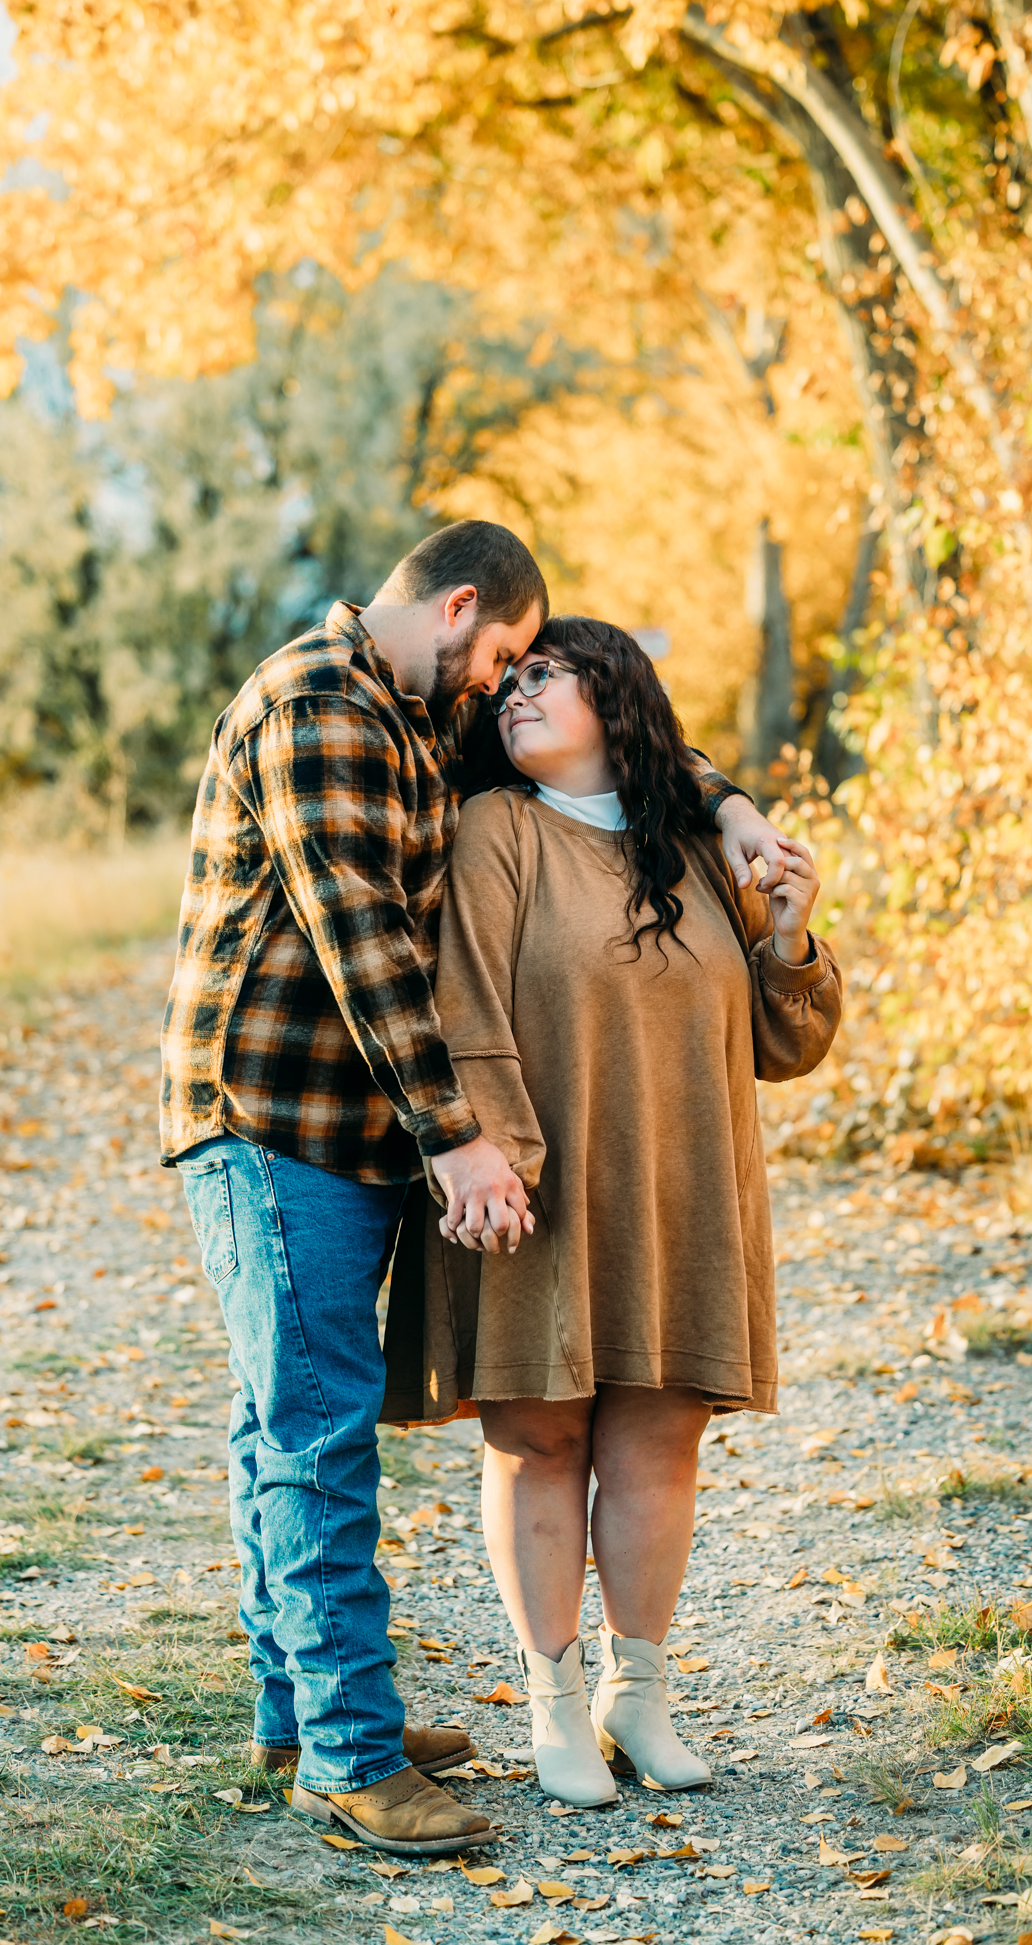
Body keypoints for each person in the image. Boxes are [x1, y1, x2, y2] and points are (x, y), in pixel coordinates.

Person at [160, 525, 791, 1851]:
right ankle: (347, 1754)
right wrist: (460, 1138)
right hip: (278, 1120)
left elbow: (635, 735)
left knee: (282, 1421)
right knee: (312, 1433)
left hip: (361, 1121)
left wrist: (728, 807)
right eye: (506, 655)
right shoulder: (317, 707)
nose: (504, 685)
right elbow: (366, 941)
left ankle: (309, 1709)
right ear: (460, 607)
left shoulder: (415, 712)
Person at [407, 617, 843, 1806]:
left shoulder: (691, 845)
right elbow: (466, 1005)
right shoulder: (496, 828)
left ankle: (636, 1694)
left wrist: (791, 932)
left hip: (684, 1187)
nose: (518, 692)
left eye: (550, 674)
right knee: (539, 1435)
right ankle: (551, 1705)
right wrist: (493, 1155)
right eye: (514, 676)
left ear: (620, 700)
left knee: (659, 1438)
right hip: (535, 1186)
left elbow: (785, 1038)